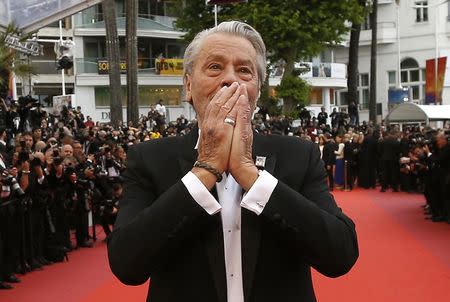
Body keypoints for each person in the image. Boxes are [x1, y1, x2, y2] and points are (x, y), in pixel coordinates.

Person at [107, 21, 358, 302]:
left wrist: (251, 176)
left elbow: (340, 254)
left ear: (257, 90)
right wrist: (205, 169)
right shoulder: (149, 159)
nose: (230, 80)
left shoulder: (299, 155)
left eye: (244, 70)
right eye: (215, 67)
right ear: (188, 86)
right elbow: (127, 264)